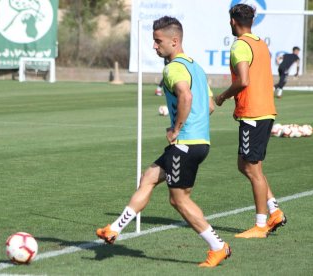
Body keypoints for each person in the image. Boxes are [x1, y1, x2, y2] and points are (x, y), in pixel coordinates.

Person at [96, 16, 231, 268]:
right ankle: (113, 229)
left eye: (158, 42)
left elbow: (186, 96)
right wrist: (191, 123)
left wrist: (177, 127)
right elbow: (210, 105)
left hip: (185, 144)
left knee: (178, 200)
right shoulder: (197, 67)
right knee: (148, 177)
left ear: (174, 41)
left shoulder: (174, 68)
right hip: (199, 142)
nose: (155, 46)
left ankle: (218, 246)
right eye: (154, 41)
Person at [215, 4, 286, 239]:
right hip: (264, 110)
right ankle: (274, 211)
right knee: (245, 165)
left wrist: (223, 97)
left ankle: (260, 224)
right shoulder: (260, 43)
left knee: (252, 169)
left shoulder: (240, 46)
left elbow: (243, 80)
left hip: (254, 114)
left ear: (232, 21)